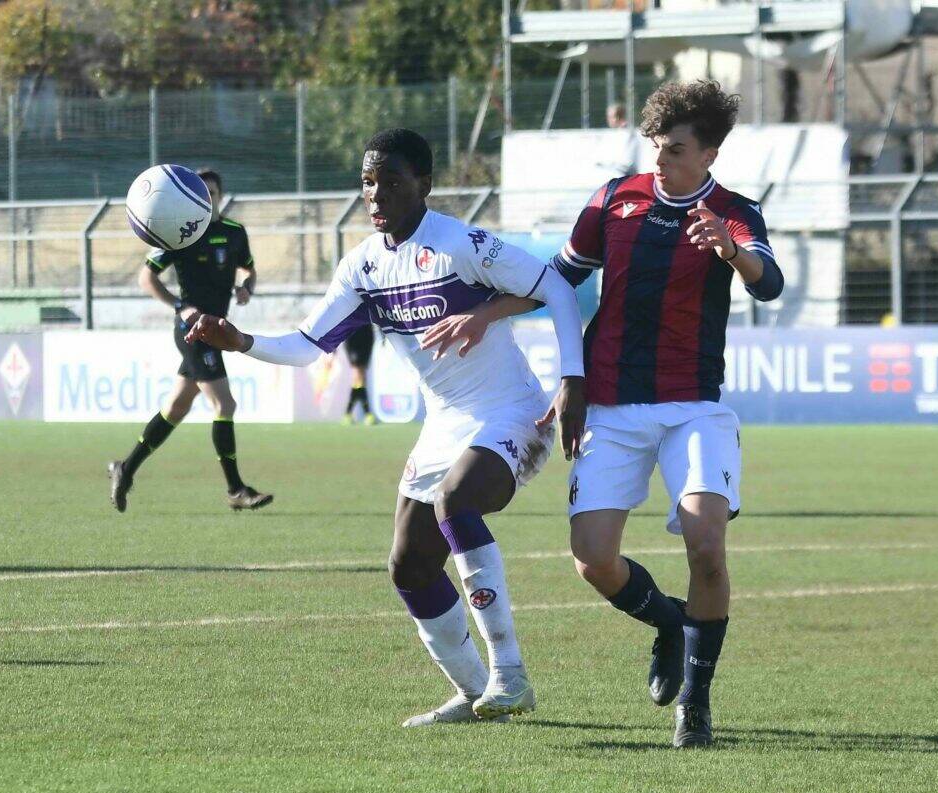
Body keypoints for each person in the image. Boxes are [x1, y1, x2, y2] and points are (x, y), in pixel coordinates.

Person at [184, 129, 588, 725]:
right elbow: (305, 345)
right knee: (407, 563)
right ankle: (477, 692)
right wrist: (239, 341)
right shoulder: (363, 266)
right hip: (445, 424)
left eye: (391, 181)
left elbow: (555, 284)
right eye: (368, 182)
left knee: (455, 504)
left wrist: (572, 380)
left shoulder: (465, 243)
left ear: (424, 184)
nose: (376, 194)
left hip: (512, 413)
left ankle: (509, 674)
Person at [424, 80, 784, 748]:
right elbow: (556, 278)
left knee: (706, 546)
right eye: (655, 146)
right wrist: (485, 313)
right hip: (611, 406)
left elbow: (769, 281)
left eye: (675, 150)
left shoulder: (733, 211)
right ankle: (671, 627)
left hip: (693, 407)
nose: (660, 159)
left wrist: (730, 252)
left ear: (708, 152)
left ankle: (697, 706)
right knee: (593, 559)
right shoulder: (616, 199)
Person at [107, 169, 273, 513]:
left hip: (218, 330)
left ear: (221, 195)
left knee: (176, 408)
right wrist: (181, 307)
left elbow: (249, 270)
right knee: (224, 406)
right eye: (203, 192)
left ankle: (126, 467)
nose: (208, 198)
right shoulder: (181, 233)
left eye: (212, 192)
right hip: (194, 332)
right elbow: (146, 277)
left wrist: (246, 288)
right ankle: (235, 489)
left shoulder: (233, 232)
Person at [341, 324, 376, 424]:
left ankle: (348, 414)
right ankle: (367, 413)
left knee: (361, 378)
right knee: (358, 375)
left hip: (366, 336)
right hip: (353, 336)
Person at [598, 102, 644, 177]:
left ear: (619, 117)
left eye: (610, 117)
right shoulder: (619, 133)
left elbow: (626, 163)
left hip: (625, 176)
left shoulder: (628, 134)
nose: (608, 120)